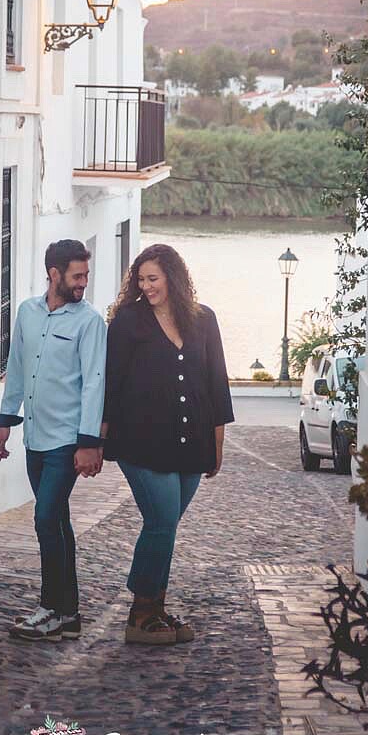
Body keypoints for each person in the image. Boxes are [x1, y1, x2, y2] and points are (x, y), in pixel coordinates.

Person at [102, 243, 233, 646]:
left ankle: (154, 609)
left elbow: (216, 386)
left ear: (172, 278)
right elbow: (110, 384)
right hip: (140, 442)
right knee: (160, 520)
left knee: (166, 525)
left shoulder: (203, 319)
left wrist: (216, 446)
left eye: (153, 278)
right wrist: (95, 441)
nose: (146, 286)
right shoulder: (127, 322)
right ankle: (140, 612)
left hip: (192, 444)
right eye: (140, 279)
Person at [0, 239, 105, 642]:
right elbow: (17, 367)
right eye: (77, 275)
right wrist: (7, 421)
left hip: (65, 441)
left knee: (44, 519)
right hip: (34, 438)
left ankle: (49, 608)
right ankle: (69, 614)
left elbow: (95, 382)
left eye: (86, 275)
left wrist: (89, 442)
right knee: (57, 522)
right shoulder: (27, 312)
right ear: (54, 274)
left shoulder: (90, 322)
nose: (83, 282)